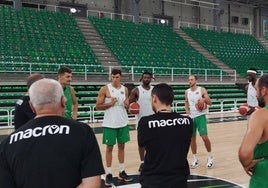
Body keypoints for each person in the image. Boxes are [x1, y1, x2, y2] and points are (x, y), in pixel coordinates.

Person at [0, 78, 104, 188]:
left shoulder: (7, 143)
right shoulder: (83, 132)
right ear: (63, 101)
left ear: (31, 106)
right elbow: (92, 183)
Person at [138, 83, 193, 188]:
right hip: (179, 181)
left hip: (153, 181)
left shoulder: (145, 122)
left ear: (154, 98)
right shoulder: (187, 121)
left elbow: (142, 145)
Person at [95, 68, 133, 186]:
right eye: (113, 77)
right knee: (109, 148)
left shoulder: (125, 89)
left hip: (122, 122)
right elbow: (97, 106)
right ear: (111, 77)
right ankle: (109, 173)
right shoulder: (105, 89)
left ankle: (122, 171)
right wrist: (109, 104)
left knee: (122, 147)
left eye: (117, 77)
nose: (115, 79)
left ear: (120, 77)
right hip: (110, 123)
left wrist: (128, 106)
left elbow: (126, 105)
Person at [239, 74, 268, 188]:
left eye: (256, 90)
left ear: (264, 90)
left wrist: (246, 164)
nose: (256, 94)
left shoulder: (260, 116)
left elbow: (245, 154)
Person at [184, 75, 213, 169]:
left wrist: (203, 99)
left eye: (191, 79)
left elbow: (210, 102)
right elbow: (186, 102)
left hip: (200, 116)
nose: (190, 81)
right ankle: (195, 159)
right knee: (192, 139)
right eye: (189, 80)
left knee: (204, 138)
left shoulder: (202, 90)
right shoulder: (186, 92)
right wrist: (187, 110)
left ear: (196, 81)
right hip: (191, 117)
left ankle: (209, 157)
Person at [129, 71, 154, 173]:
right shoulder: (136, 90)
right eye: (145, 77)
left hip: (153, 120)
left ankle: (152, 161)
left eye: (148, 78)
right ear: (141, 78)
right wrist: (132, 107)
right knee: (141, 144)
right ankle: (142, 162)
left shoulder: (154, 90)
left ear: (151, 79)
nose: (146, 79)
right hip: (141, 121)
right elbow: (129, 103)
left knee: (153, 143)